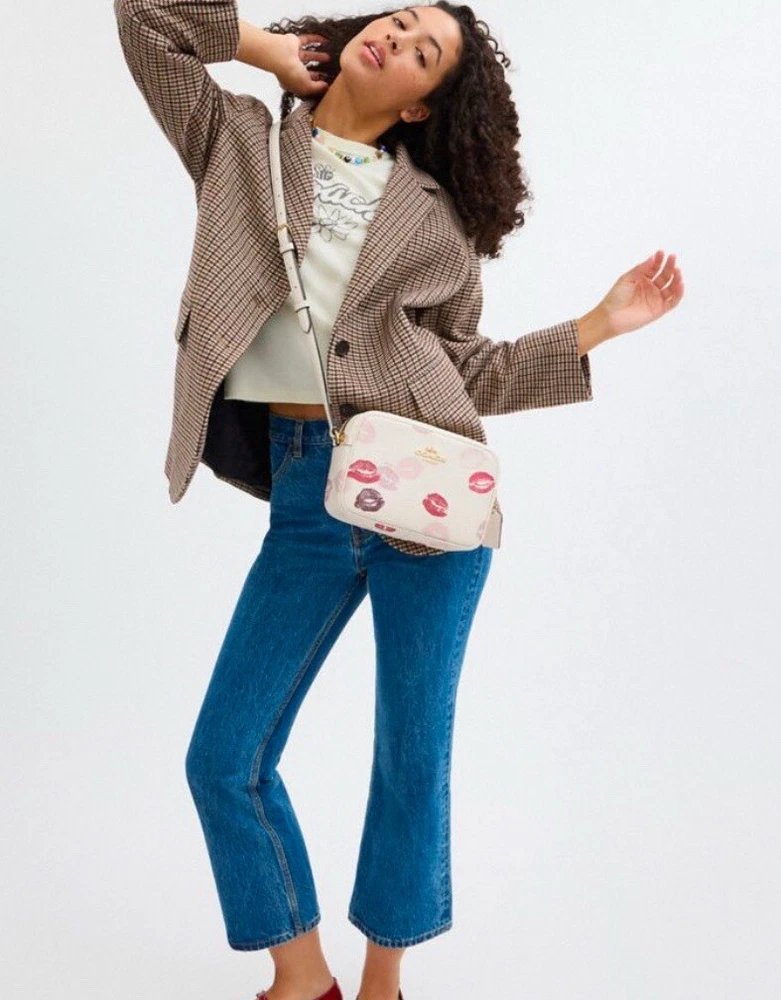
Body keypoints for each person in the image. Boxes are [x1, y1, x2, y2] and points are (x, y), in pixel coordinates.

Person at [113, 4, 684, 1000]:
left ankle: (384, 985)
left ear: (421, 106)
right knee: (224, 758)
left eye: (424, 53)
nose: (398, 37)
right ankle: (302, 978)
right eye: (400, 18)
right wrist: (261, 50)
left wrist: (596, 325)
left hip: (427, 497)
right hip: (305, 494)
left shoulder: (436, 222)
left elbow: (469, 369)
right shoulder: (237, 138)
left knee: (411, 756)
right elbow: (144, 18)